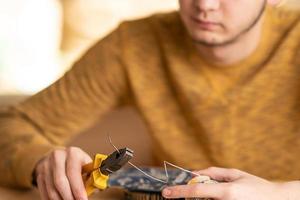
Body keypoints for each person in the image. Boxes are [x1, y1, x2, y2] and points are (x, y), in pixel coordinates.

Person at [0, 0, 300, 199]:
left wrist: (279, 193)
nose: (205, 5)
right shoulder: (135, 45)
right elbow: (13, 126)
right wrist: (41, 163)